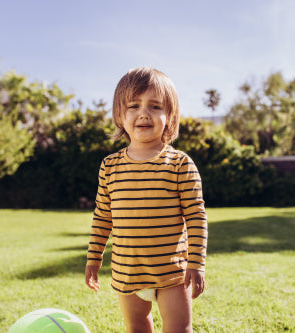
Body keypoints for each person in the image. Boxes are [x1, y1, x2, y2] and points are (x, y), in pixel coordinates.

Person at [85, 67, 208, 333]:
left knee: (179, 328)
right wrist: (94, 259)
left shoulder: (180, 164)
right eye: (133, 106)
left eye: (155, 106)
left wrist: (196, 262)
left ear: (170, 115)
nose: (144, 113)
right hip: (127, 270)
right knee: (137, 326)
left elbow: (196, 217)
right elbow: (103, 217)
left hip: (172, 272)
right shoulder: (110, 166)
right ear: (120, 114)